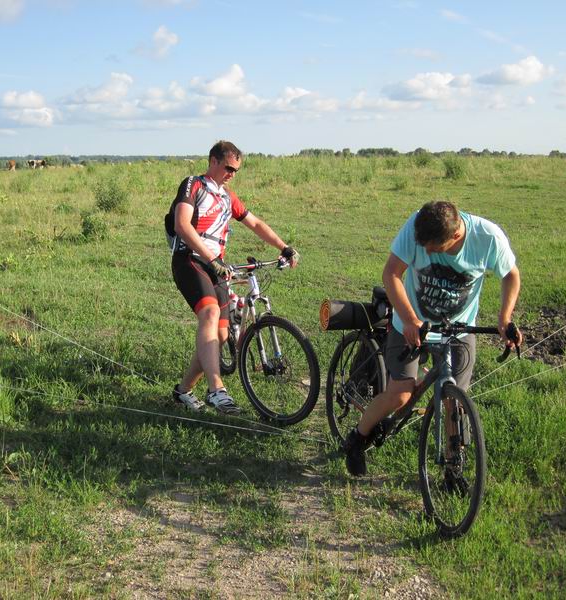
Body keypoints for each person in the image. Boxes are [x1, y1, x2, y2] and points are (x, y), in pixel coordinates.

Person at [342, 200, 522, 475]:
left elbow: (510, 274)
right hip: (410, 325)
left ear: (457, 236)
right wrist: (411, 319)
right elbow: (391, 273)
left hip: (458, 330)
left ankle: (453, 470)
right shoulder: (417, 225)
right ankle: (357, 438)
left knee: (455, 403)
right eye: (423, 245)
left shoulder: (488, 238)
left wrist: (504, 318)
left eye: (434, 249)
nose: (425, 252)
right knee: (400, 396)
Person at [166, 140, 298, 414]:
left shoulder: (227, 196)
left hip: (217, 266)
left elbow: (256, 223)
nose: (231, 174)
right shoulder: (194, 185)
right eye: (228, 167)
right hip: (190, 260)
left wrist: (284, 246)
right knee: (210, 314)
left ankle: (183, 391)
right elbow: (181, 224)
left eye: (236, 170)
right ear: (213, 161)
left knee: (221, 333)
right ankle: (217, 389)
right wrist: (212, 259)